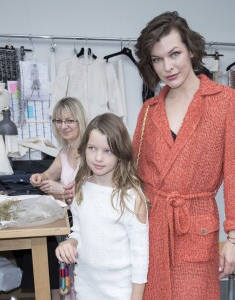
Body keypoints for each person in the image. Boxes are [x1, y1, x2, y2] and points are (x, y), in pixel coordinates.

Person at [132, 11, 235, 300]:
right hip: (152, 232)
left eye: (174, 54)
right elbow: (131, 176)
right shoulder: (149, 111)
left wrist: (234, 238)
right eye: (157, 59)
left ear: (191, 50)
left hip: (196, 227)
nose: (167, 67)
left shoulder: (224, 102)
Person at [55, 113, 149, 300]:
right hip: (86, 289)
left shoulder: (132, 196)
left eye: (108, 151)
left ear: (121, 153)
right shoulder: (81, 187)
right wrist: (69, 244)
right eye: (92, 148)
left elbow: (140, 259)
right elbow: (79, 231)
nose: (98, 157)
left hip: (120, 293)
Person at [26, 97, 87, 300]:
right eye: (59, 121)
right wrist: (39, 178)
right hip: (69, 226)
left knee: (81, 280)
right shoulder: (65, 151)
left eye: (69, 120)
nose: (64, 126)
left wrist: (60, 190)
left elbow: (89, 195)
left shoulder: (90, 152)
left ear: (80, 121)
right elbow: (48, 175)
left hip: (87, 228)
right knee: (68, 279)